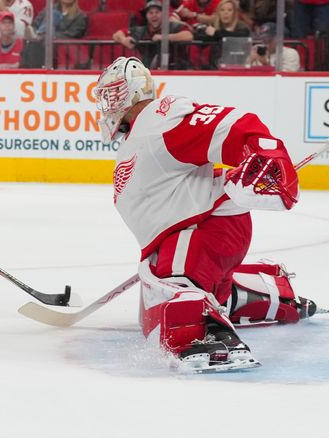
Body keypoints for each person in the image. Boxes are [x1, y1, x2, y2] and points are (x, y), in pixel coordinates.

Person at [93, 56, 315, 372]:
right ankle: (265, 293)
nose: (106, 105)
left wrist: (265, 152)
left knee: (172, 295)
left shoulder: (159, 119)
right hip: (189, 236)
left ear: (127, 95)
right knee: (161, 287)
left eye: (110, 95)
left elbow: (231, 123)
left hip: (200, 232)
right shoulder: (142, 133)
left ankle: (210, 335)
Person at [112, 0, 192, 67]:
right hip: (149, 70)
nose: (154, 15)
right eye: (150, 13)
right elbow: (117, 34)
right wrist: (123, 40)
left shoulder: (173, 26)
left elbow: (188, 36)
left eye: (157, 12)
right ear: (146, 16)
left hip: (177, 68)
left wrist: (163, 37)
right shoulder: (141, 31)